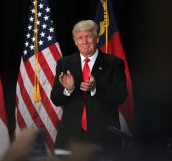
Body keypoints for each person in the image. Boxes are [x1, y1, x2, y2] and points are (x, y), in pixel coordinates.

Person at [50, 20, 128, 150]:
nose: (85, 42)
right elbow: (56, 99)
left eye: (88, 37)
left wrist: (96, 89)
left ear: (97, 38)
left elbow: (121, 96)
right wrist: (67, 89)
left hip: (103, 138)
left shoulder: (114, 63)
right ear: (75, 42)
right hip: (71, 138)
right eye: (80, 38)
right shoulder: (65, 64)